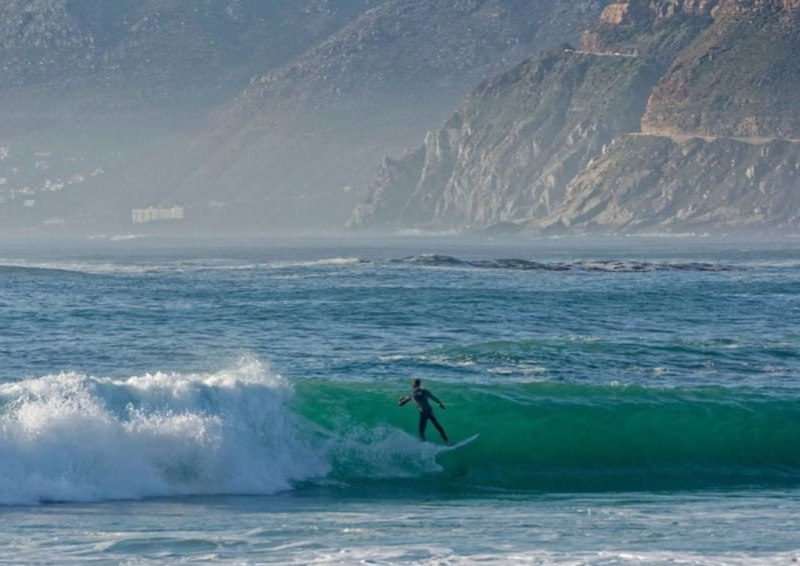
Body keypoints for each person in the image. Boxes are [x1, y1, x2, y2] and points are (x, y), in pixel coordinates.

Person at [398, 378, 449, 445]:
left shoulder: (411, 395)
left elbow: (400, 404)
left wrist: (400, 399)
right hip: (430, 412)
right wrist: (440, 404)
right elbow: (435, 398)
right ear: (420, 384)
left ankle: (424, 445)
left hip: (423, 414)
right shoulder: (425, 391)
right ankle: (447, 442)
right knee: (438, 427)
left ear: (413, 385)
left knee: (421, 432)